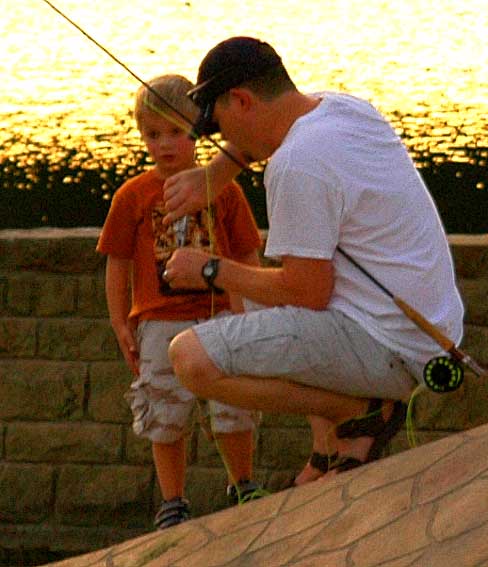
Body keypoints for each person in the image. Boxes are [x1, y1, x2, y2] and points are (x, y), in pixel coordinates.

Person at [160, 37, 465, 479]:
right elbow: (260, 138)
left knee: (191, 358)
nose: (223, 140)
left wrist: (209, 269)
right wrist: (214, 175)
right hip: (433, 331)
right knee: (264, 289)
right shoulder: (343, 109)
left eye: (221, 127)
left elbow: (306, 293)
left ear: (242, 100)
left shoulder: (296, 165)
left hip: (391, 347)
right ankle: (328, 449)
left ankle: (357, 412)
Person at [96, 73, 263, 529]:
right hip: (158, 320)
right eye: (153, 134)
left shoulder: (224, 188)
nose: (165, 144)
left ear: (199, 130)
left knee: (233, 404)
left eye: (176, 131)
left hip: (222, 315)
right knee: (163, 408)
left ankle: (242, 483)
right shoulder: (131, 195)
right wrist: (121, 322)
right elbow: (117, 263)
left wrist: (247, 310)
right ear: (140, 135)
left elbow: (246, 253)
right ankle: (173, 499)